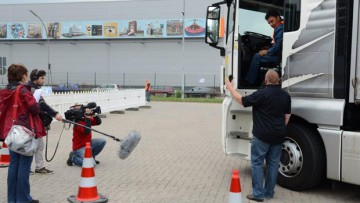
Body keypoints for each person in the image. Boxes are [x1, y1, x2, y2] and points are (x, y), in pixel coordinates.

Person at [226, 69, 291, 202]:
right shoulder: (286, 96)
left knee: (257, 163)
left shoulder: (261, 94)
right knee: (273, 164)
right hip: (278, 136)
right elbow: (287, 116)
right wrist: (280, 129)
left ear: (266, 80)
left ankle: (258, 194)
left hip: (261, 136)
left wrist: (230, 88)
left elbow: (241, 100)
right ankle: (269, 193)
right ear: (278, 81)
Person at [5, 64, 46, 203]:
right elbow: (34, 108)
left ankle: (12, 198)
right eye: (26, 74)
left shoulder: (6, 90)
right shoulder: (23, 90)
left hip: (12, 132)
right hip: (25, 132)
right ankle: (23, 199)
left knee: (13, 166)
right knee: (24, 166)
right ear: (23, 76)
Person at [28, 69, 62, 174]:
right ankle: (27, 168)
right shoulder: (32, 90)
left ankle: (39, 167)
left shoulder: (34, 89)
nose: (44, 81)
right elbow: (42, 105)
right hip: (30, 124)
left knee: (39, 145)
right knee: (30, 146)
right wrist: (55, 114)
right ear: (35, 79)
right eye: (42, 78)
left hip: (35, 123)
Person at [245, 9, 284, 86]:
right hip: (279, 54)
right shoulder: (281, 27)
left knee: (257, 56)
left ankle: (249, 83)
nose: (271, 24)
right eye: (269, 23)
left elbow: (278, 47)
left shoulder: (280, 28)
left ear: (278, 18)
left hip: (278, 57)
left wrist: (266, 51)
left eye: (272, 21)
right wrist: (268, 47)